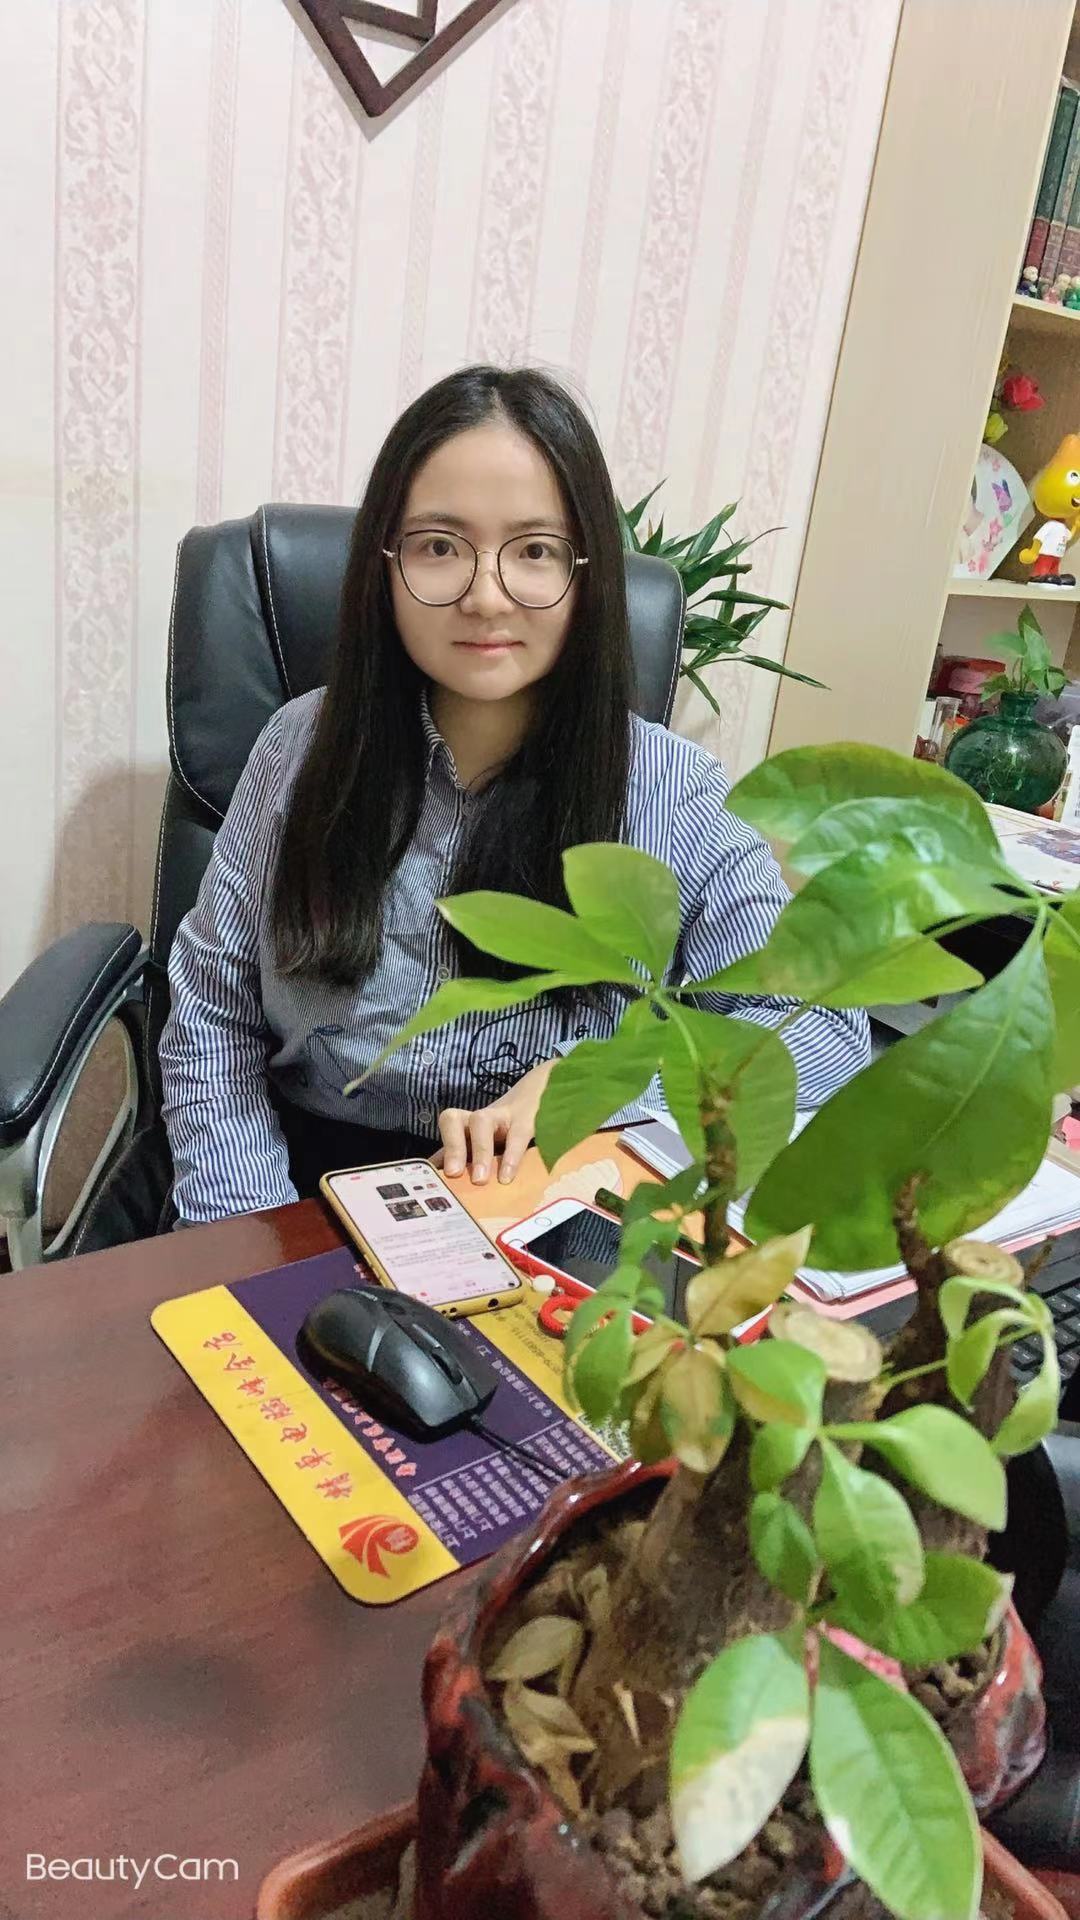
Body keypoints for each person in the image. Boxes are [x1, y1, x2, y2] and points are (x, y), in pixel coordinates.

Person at [160, 366, 869, 1224]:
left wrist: (602, 1083)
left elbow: (822, 1036)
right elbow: (212, 1012)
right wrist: (250, 1229)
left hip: (546, 1202)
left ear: (586, 572)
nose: (485, 595)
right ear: (385, 565)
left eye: (534, 551)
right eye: (439, 546)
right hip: (299, 1187)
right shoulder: (300, 747)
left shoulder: (673, 792)